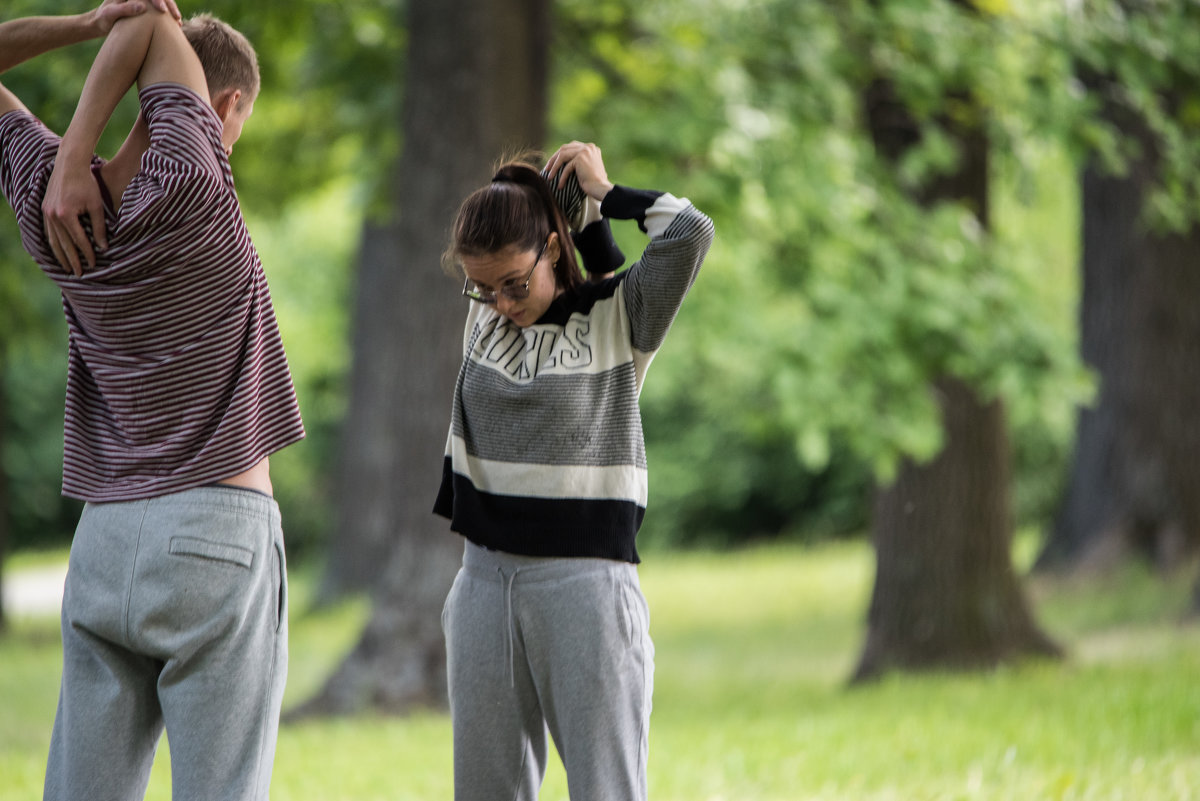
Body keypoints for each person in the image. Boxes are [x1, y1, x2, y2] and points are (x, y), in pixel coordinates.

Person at [0, 2, 305, 799]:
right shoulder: (195, 184)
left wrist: (72, 140)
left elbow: (138, 21)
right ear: (223, 107)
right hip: (217, 531)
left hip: (104, 538)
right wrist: (132, 25)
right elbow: (154, 16)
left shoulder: (48, 207)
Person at [434, 140, 715, 801]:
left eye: (513, 283)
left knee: (605, 788)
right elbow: (525, 234)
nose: (500, 300)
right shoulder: (486, 319)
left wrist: (605, 193)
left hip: (586, 588)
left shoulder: (622, 320)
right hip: (482, 582)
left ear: (550, 254)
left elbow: (690, 234)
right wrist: (580, 223)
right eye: (484, 286)